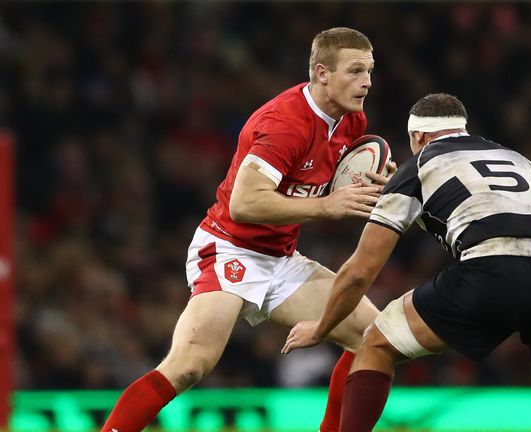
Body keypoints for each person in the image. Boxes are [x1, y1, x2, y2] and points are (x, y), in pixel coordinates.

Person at [282, 93, 531, 432]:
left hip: (491, 268)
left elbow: (361, 271)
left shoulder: (418, 165)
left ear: (419, 136)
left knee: (376, 343)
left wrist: (320, 327)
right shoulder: (517, 160)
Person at [102, 27, 395, 432]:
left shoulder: (351, 119)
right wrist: (326, 206)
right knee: (188, 366)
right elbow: (245, 204)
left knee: (373, 338)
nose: (367, 82)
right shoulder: (284, 124)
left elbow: (317, 178)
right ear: (322, 73)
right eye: (356, 70)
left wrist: (368, 180)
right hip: (229, 249)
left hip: (281, 256)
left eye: (370, 71)